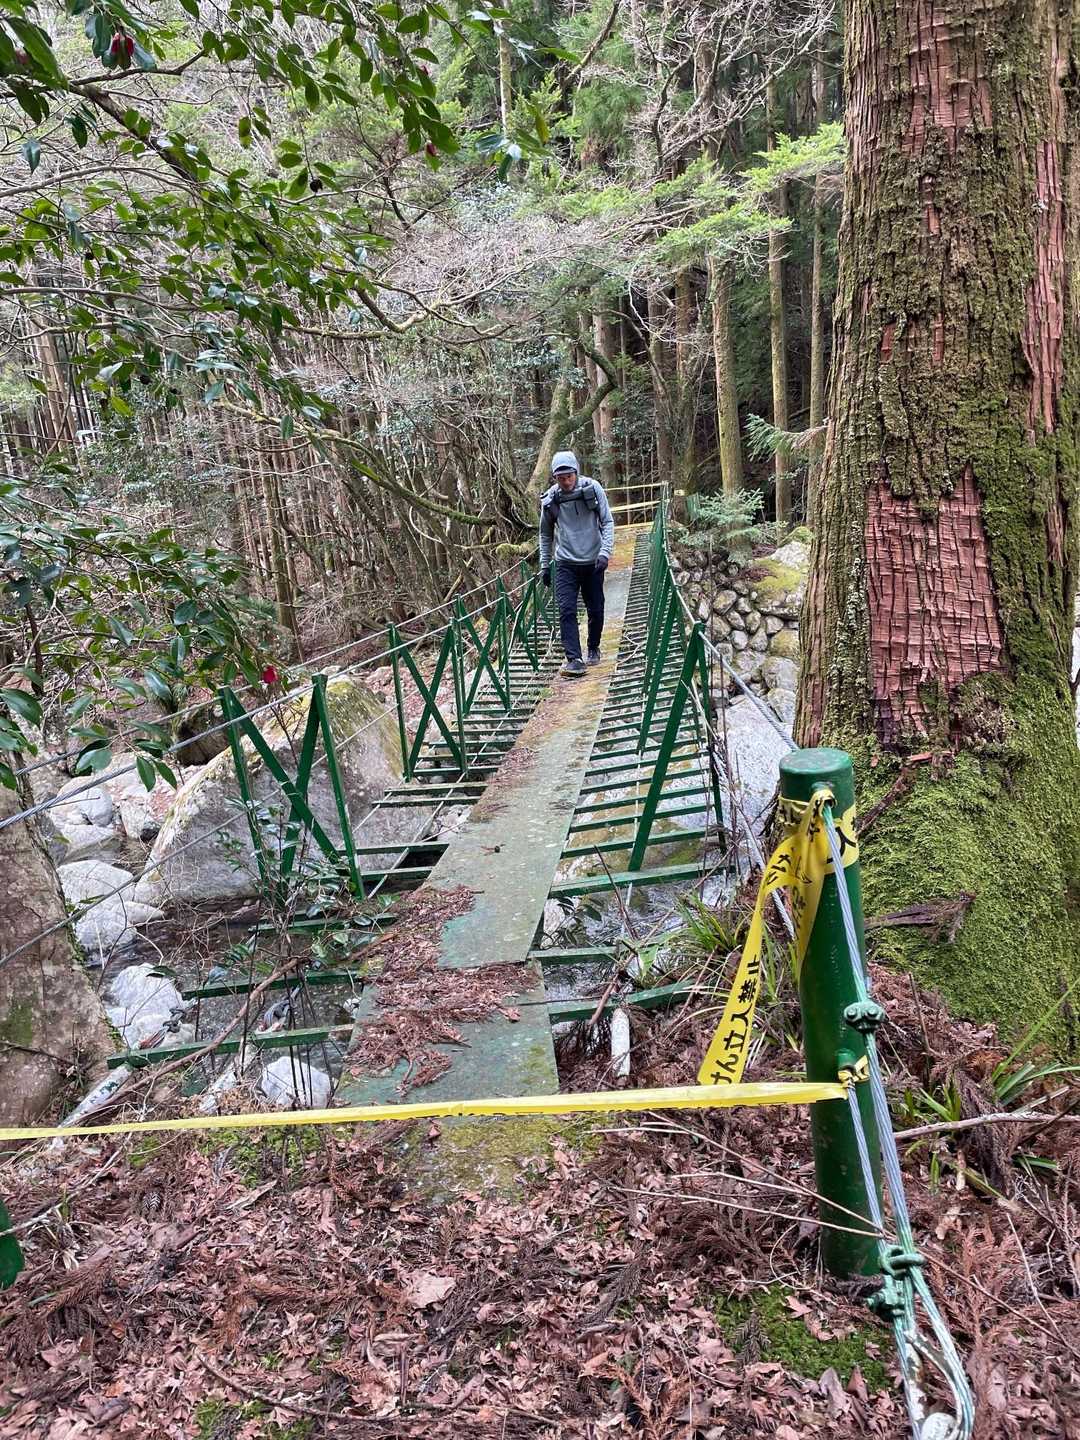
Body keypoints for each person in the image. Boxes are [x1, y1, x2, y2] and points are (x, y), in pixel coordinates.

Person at [538, 450, 615, 677]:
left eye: (569, 476)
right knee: (566, 609)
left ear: (576, 472)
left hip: (593, 561)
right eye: (560, 478)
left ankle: (593, 646)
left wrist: (605, 553)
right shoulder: (551, 499)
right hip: (565, 563)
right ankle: (574, 659)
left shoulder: (592, 488)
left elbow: (607, 521)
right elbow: (545, 534)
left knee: (596, 608)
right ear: (555, 478)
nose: (566, 482)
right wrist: (545, 565)